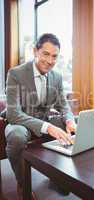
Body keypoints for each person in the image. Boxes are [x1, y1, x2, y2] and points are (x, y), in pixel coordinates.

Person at [5, 33, 76, 200]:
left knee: (71, 124)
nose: (50, 61)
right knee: (16, 135)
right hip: (20, 123)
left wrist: (69, 120)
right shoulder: (15, 73)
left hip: (44, 119)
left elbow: (63, 105)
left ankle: (56, 176)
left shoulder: (57, 77)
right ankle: (23, 182)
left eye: (54, 56)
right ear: (35, 51)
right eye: (45, 54)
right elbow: (13, 113)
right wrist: (48, 127)